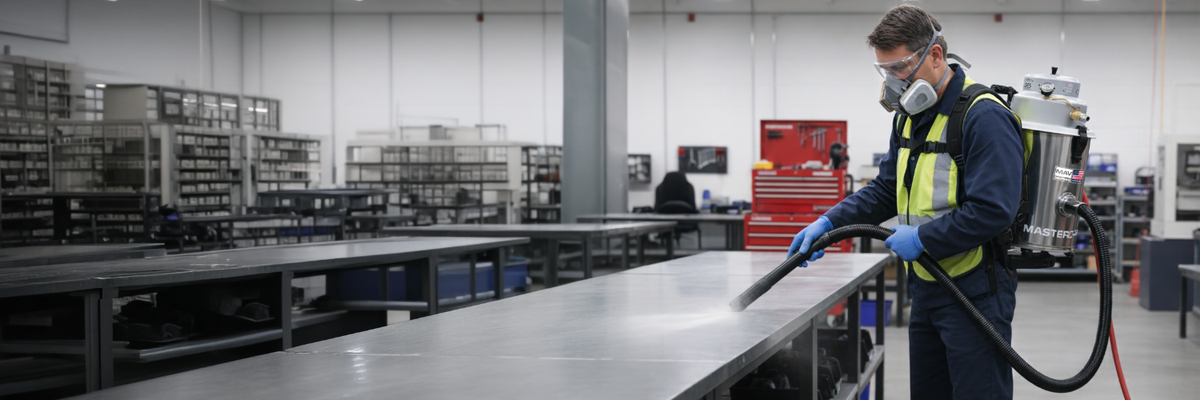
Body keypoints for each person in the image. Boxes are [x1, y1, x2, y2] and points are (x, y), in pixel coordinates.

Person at [786, 5, 1024, 400]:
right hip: (927, 286)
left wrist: (923, 238)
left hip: (976, 291)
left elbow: (993, 210)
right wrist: (829, 223)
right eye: (885, 71)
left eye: (899, 68)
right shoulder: (908, 117)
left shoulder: (983, 116)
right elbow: (886, 189)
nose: (894, 82)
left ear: (935, 55)